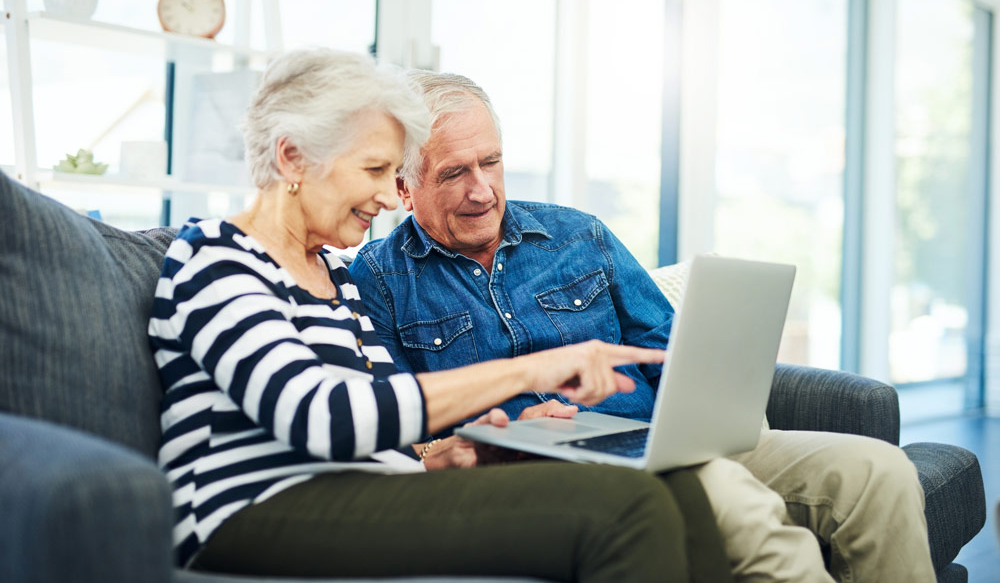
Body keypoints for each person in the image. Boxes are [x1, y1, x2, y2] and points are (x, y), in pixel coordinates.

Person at [148, 47, 734, 582]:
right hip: (251, 511)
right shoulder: (216, 258)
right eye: (375, 170)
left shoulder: (334, 280)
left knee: (675, 486)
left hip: (363, 495)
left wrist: (444, 457)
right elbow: (321, 416)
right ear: (293, 157)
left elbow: (389, 427)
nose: (386, 197)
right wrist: (532, 371)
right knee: (627, 507)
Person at [348, 70, 939, 583]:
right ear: (404, 187)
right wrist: (500, 432)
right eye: (454, 173)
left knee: (880, 472)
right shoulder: (379, 280)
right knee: (728, 499)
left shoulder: (581, 235)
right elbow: (402, 430)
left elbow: (673, 350)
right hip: (547, 477)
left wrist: (705, 401)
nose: (483, 190)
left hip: (661, 443)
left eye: (492, 162)